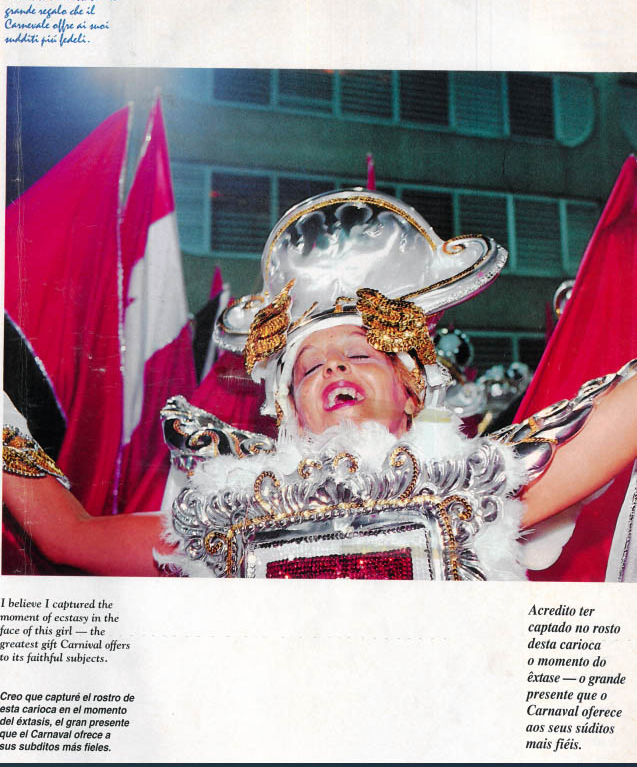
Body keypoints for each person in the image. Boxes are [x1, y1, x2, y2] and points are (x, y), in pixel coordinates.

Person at [3, 189, 637, 579]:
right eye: (309, 366)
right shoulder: (227, 520)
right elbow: (71, 535)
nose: (334, 368)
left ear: (413, 390)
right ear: (289, 412)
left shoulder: (473, 488)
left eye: (360, 355)